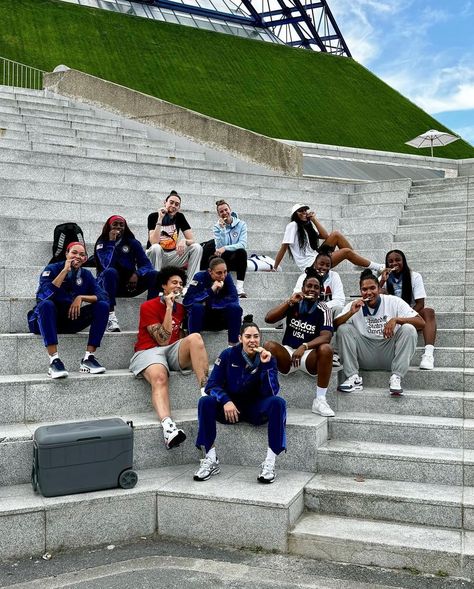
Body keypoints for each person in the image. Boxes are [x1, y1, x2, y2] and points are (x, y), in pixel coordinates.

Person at [194, 318, 286, 484]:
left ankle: (270, 463)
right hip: (231, 409)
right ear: (240, 338)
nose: (252, 341)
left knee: (278, 402)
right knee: (205, 401)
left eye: (256, 336)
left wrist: (266, 366)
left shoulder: (267, 358)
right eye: (248, 336)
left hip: (254, 408)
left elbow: (271, 391)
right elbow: (211, 385)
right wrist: (226, 401)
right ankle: (211, 458)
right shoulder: (228, 354)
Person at [129, 266, 210, 449]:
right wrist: (169, 308)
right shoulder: (148, 306)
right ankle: (168, 427)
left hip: (170, 352)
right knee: (160, 376)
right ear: (164, 285)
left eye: (181, 284)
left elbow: (177, 338)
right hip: (148, 351)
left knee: (195, 337)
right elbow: (162, 339)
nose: (178, 286)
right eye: (174, 282)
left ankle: (206, 392)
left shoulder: (182, 309)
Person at [335, 269, 425, 396]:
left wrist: (397, 319)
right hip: (365, 353)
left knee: (409, 329)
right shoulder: (354, 305)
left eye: (372, 288)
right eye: (364, 289)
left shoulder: (393, 301)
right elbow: (333, 327)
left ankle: (396, 377)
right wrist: (350, 313)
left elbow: (421, 322)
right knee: (343, 329)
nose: (368, 292)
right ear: (360, 291)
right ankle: (353, 377)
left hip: (389, 354)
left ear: (379, 288)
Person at [27, 242, 109, 378]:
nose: (78, 256)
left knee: (103, 306)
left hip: (69, 319)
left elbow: (104, 296)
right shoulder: (52, 269)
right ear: (67, 254)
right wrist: (64, 271)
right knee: (46, 304)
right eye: (74, 253)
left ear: (85, 259)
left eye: (82, 255)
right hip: (44, 320)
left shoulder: (86, 275)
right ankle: (54, 361)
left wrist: (81, 297)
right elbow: (42, 296)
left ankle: (88, 358)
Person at [264, 274, 334, 416]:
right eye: (309, 286)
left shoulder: (324, 309)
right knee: (268, 345)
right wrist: (289, 302)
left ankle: (320, 400)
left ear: (320, 291)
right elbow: (268, 319)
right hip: (288, 354)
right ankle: (266, 394)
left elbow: (326, 336)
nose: (312, 289)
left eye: (316, 287)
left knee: (326, 349)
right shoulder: (294, 303)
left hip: (309, 356)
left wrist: (305, 346)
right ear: (302, 288)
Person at [93, 215, 159, 332]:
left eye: (121, 225)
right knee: (110, 272)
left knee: (154, 274)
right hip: (108, 284)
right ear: (109, 226)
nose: (118, 227)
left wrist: (137, 274)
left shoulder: (132, 243)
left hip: (130, 285)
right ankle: (110, 316)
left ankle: (151, 314)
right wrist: (111, 243)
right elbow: (106, 265)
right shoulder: (102, 243)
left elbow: (147, 265)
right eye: (115, 224)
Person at [273, 203, 384, 273]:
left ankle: (360, 262)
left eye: (305, 210)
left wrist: (314, 220)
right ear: (295, 215)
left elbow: (325, 235)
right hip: (310, 265)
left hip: (316, 256)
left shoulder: (307, 226)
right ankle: (378, 267)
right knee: (346, 252)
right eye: (300, 211)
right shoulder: (292, 225)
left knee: (336, 235)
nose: (304, 213)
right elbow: (283, 248)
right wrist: (275, 267)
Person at [379, 249, 436, 370]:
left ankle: (428, 354)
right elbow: (375, 298)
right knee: (381, 292)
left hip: (411, 312)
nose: (394, 263)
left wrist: (407, 316)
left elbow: (421, 303)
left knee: (428, 312)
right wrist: (382, 280)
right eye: (390, 261)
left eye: (398, 260)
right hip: (390, 316)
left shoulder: (414, 276)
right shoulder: (383, 278)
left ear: (403, 261)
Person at [293, 251, 346, 367]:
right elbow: (296, 295)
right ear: (314, 264)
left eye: (328, 265)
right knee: (291, 307)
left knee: (340, 309)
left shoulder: (334, 276)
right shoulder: (304, 277)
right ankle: (293, 346)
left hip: (326, 311)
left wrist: (321, 308)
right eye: (321, 264)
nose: (324, 267)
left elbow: (340, 299)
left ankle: (334, 353)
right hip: (307, 312)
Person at [183, 257, 243, 346]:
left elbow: (233, 298)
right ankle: (193, 344)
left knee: (235, 308)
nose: (222, 276)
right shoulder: (199, 277)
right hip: (203, 318)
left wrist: (209, 303)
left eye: (225, 272)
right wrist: (211, 290)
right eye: (219, 273)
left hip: (220, 318)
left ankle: (232, 346)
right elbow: (187, 301)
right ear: (210, 271)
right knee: (196, 307)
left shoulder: (227, 277)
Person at [146, 190, 202, 280]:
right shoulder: (153, 216)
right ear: (165, 202)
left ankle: (190, 285)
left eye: (177, 204)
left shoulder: (180, 217)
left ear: (179, 207)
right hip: (155, 256)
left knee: (196, 247)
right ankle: (155, 285)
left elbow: (192, 240)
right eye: (171, 203)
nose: (173, 206)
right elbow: (153, 242)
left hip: (172, 256)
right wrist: (160, 218)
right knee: (156, 247)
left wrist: (184, 241)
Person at [200, 200, 248, 297]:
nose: (224, 213)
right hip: (224, 259)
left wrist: (225, 248)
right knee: (217, 256)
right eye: (221, 211)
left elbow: (242, 244)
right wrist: (222, 229)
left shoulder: (241, 224)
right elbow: (219, 248)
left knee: (242, 252)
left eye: (226, 210)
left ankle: (239, 288)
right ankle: (221, 286)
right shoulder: (217, 227)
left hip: (236, 257)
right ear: (218, 214)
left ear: (230, 209)